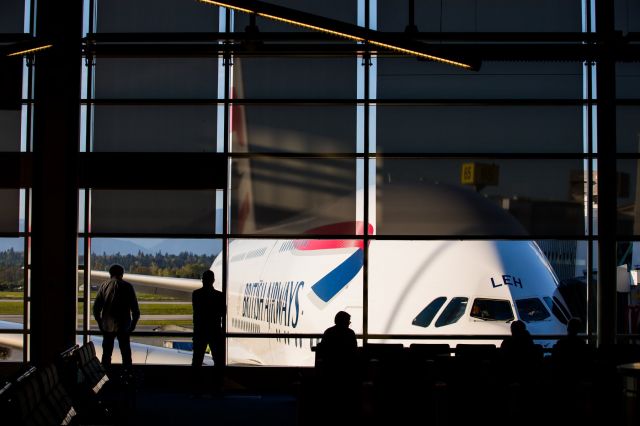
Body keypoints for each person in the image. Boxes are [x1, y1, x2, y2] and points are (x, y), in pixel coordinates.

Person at [93, 264, 140, 375]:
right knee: (126, 355)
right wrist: (132, 325)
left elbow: (96, 309)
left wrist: (100, 323)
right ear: (122, 274)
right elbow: (135, 310)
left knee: (106, 355)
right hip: (123, 326)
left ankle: (105, 378)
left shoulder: (104, 286)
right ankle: (127, 377)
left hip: (107, 327)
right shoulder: (128, 286)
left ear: (110, 274)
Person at [191, 270, 226, 394]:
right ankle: (218, 388)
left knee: (197, 362)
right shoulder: (220, 296)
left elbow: (196, 314)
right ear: (213, 281)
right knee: (218, 362)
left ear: (203, 280)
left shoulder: (196, 294)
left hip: (200, 332)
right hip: (215, 331)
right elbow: (223, 313)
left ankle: (196, 389)